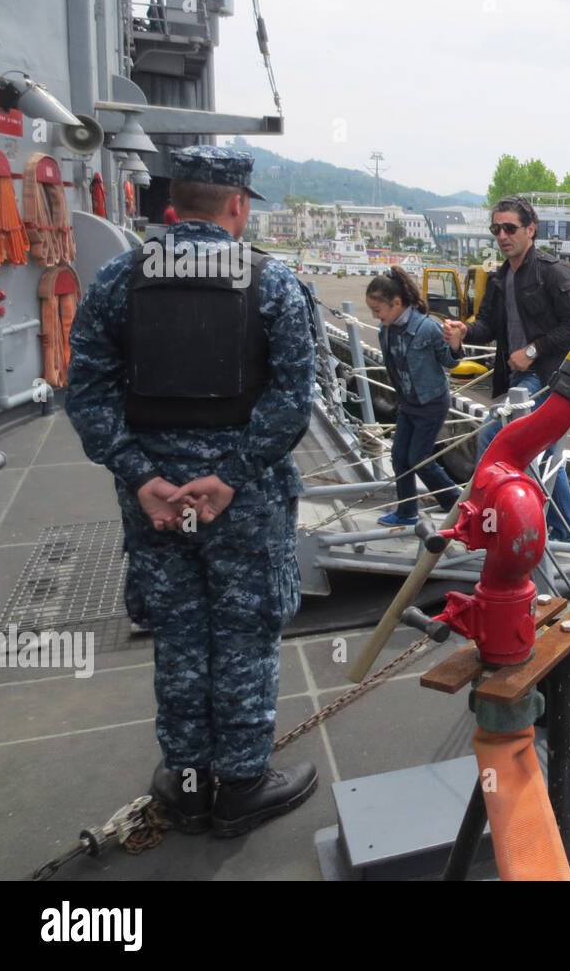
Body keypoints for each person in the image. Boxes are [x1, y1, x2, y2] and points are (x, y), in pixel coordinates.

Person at [66, 145, 318, 837]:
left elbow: (85, 393)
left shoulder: (118, 279)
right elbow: (294, 401)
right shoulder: (273, 284)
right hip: (243, 506)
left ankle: (185, 782)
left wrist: (144, 477)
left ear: (172, 205)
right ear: (237, 206)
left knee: (178, 630)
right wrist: (230, 475)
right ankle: (240, 784)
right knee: (243, 633)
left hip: (156, 508)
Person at [451, 196, 570, 542]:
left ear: (531, 229)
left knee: (493, 435)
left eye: (509, 228)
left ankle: (492, 523)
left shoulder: (553, 272)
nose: (501, 235)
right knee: (540, 456)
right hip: (518, 379)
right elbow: (486, 325)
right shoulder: (500, 278)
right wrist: (464, 331)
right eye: (495, 228)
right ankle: (568, 531)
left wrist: (532, 349)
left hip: (547, 379)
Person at [368, 269, 462, 525]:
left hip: (431, 402)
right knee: (399, 457)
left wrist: (455, 344)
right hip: (409, 403)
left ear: (396, 303)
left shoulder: (427, 327)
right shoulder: (385, 331)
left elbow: (449, 361)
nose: (375, 316)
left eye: (378, 310)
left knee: (419, 459)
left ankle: (455, 502)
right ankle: (407, 511)